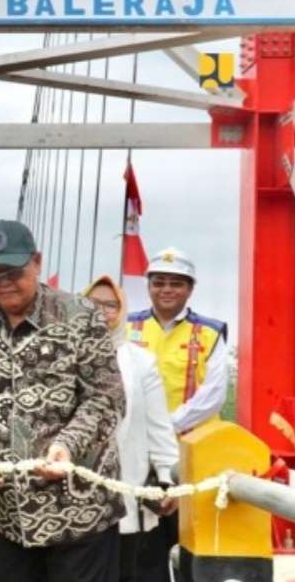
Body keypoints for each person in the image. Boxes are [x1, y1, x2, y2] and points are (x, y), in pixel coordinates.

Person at [0, 220, 125, 582]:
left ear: (37, 262)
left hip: (80, 512)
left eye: (13, 271)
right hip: (7, 516)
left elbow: (107, 398)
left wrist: (67, 446)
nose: (4, 282)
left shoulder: (80, 316)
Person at [126, 247, 227, 582]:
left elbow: (213, 394)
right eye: (159, 282)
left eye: (176, 283)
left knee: (192, 543)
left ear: (190, 289)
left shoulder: (210, 332)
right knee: (143, 545)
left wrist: (165, 427)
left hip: (192, 455)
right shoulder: (128, 327)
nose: (166, 290)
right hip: (139, 454)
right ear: (148, 286)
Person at [84, 276, 179, 582]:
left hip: (127, 491)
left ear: (121, 311)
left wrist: (166, 478)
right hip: (73, 498)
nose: (101, 311)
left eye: (110, 305)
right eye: (93, 304)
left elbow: (159, 427)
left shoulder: (140, 362)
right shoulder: (60, 357)